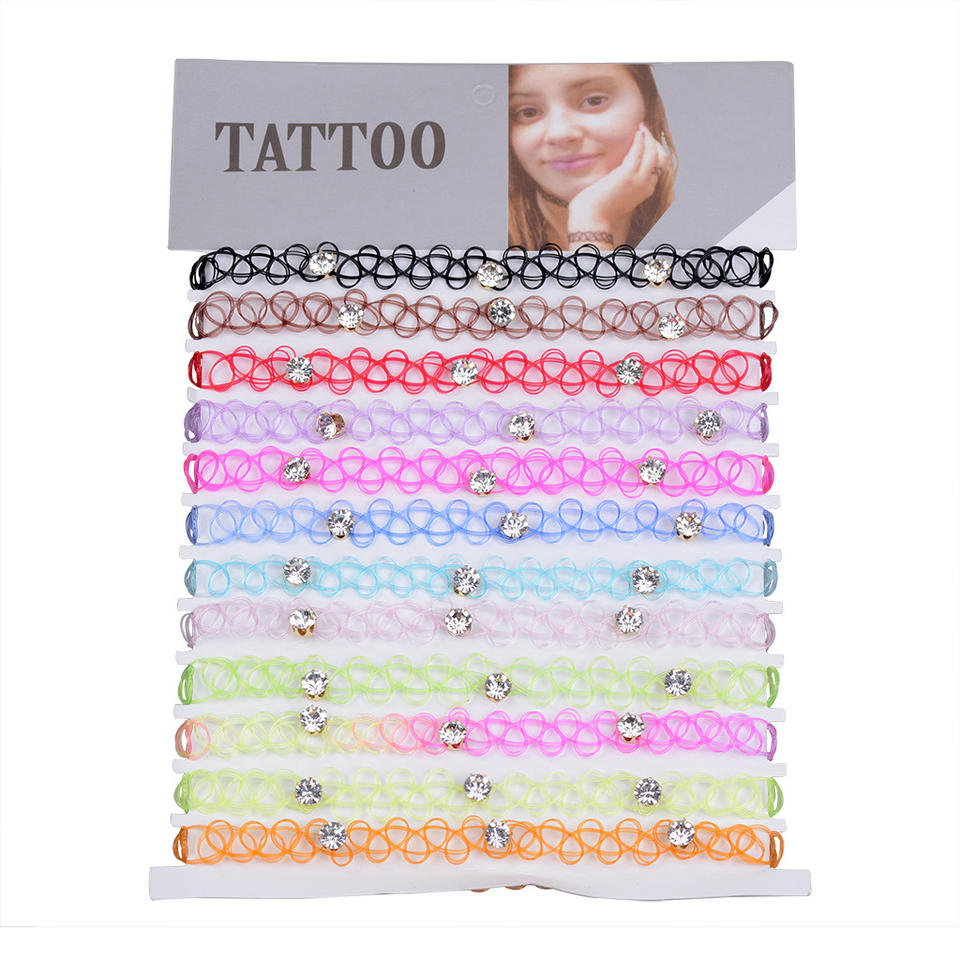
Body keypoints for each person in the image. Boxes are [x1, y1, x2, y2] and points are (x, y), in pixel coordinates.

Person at [508, 63, 677, 250]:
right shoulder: (488, 234)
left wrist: (591, 217)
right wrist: (592, 221)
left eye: (594, 101)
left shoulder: (695, 218)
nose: (560, 133)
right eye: (528, 112)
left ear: (648, 105)